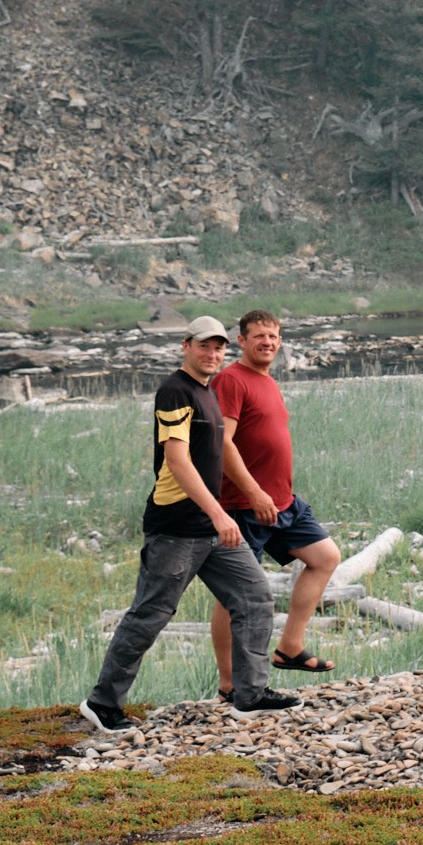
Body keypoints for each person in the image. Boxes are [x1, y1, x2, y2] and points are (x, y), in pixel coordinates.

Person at [81, 316, 301, 731]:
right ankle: (103, 702)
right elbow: (177, 460)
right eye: (204, 346)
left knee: (255, 598)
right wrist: (220, 513)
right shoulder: (175, 391)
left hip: (212, 529)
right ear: (186, 346)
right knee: (150, 614)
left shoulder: (207, 393)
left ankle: (249, 694)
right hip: (177, 529)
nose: (212, 354)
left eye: (218, 348)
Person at [207, 309, 343, 700]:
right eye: (259, 336)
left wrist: (272, 495)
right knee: (232, 595)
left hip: (283, 503)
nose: (268, 342)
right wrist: (253, 493)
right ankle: (230, 683)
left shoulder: (266, 380)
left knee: (325, 557)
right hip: (244, 505)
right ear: (242, 341)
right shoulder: (231, 380)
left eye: (274, 336)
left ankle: (290, 648)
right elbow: (222, 443)